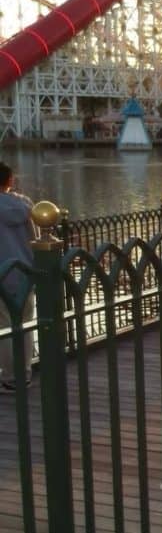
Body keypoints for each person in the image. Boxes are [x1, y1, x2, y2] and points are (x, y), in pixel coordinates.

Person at [0, 162, 37, 390]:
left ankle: (10, 377)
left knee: (4, 327)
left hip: (2, 274)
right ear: (10, 181)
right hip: (24, 273)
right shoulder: (25, 205)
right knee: (25, 324)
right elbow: (36, 239)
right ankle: (23, 373)